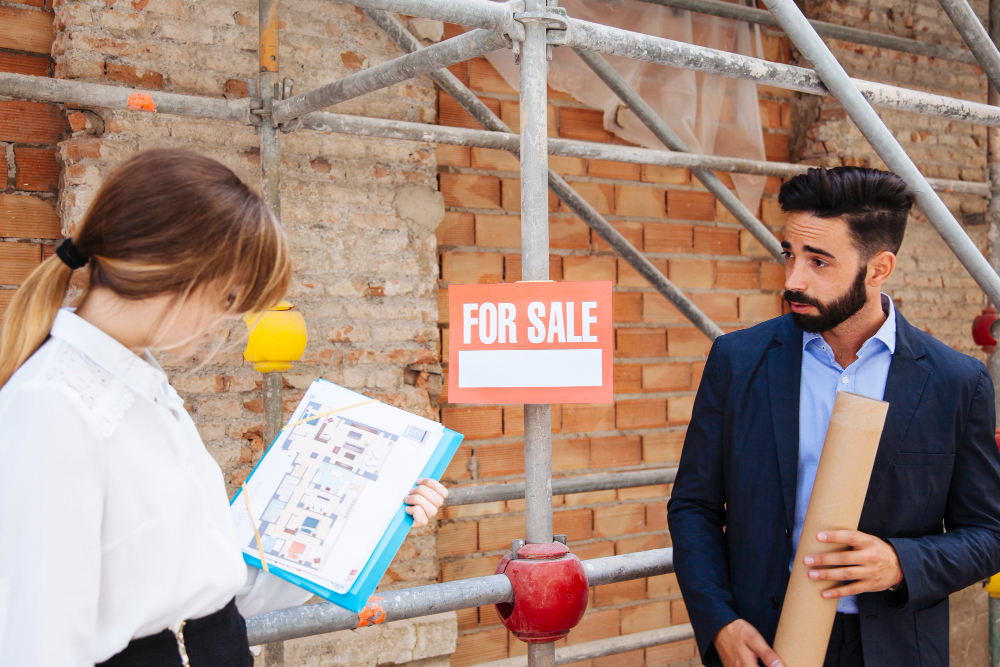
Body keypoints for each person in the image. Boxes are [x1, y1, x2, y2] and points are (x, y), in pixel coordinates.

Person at [0, 148, 450, 666]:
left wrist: (367, 518)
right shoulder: (53, 407)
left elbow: (207, 588)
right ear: (173, 268)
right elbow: (38, 643)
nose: (230, 320)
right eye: (231, 296)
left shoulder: (144, 386)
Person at [668, 166, 1000, 667]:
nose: (793, 280)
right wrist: (719, 622)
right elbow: (693, 506)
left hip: (897, 646)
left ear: (878, 269)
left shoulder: (957, 381)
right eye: (790, 254)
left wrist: (901, 563)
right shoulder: (737, 361)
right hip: (765, 642)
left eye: (819, 261)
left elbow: (989, 533)